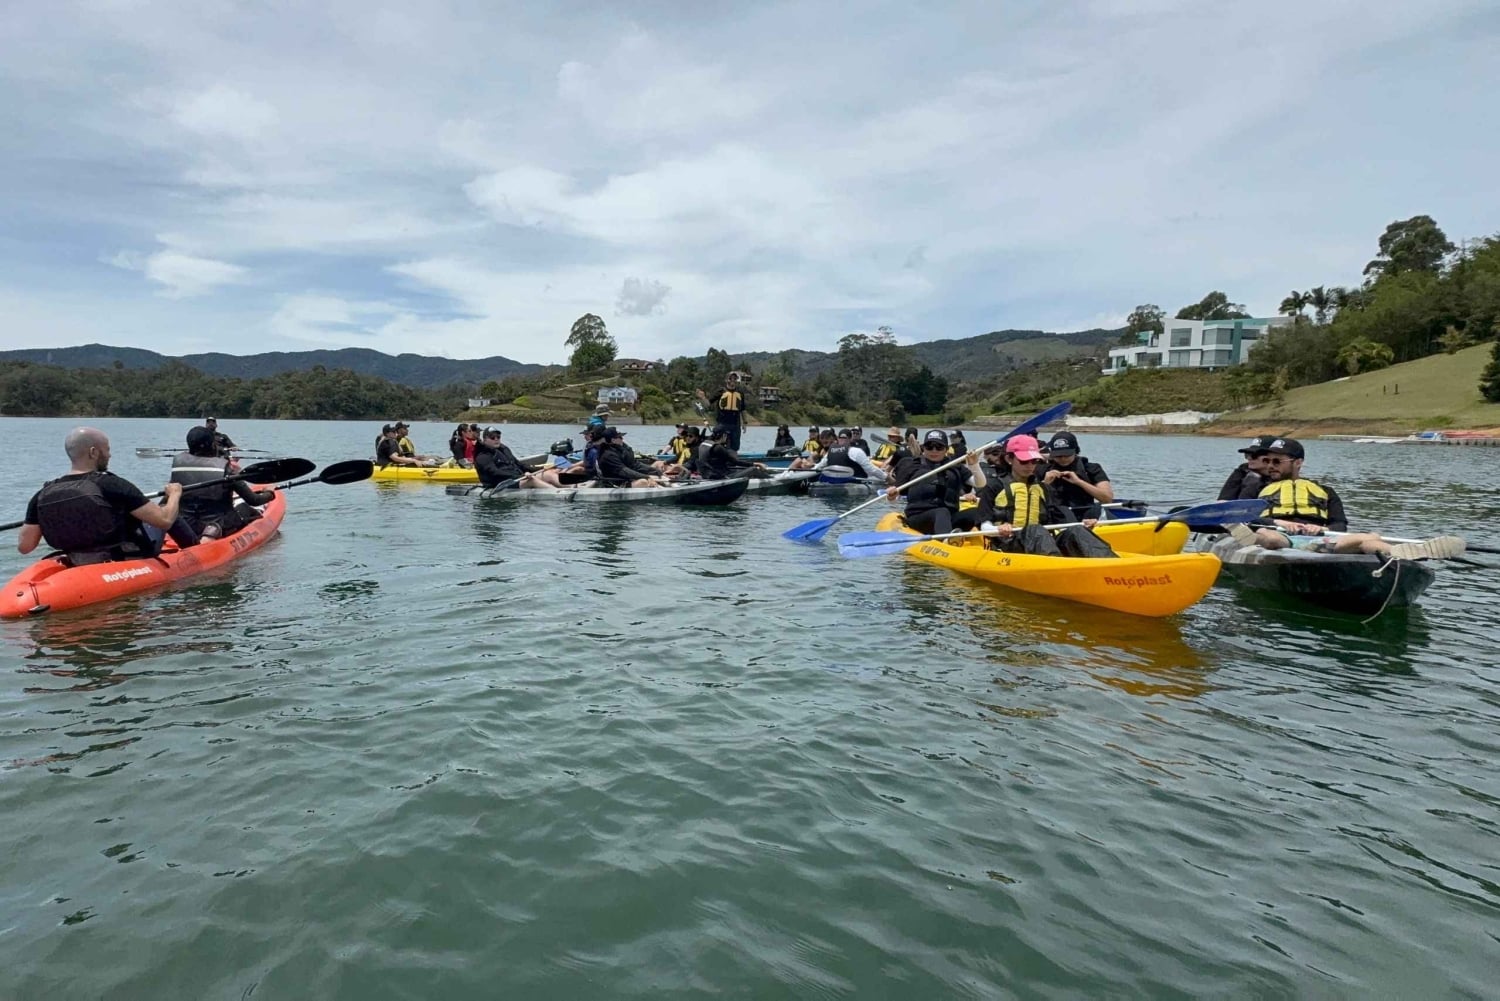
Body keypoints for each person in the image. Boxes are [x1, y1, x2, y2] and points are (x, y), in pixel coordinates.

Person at [1230, 438, 1464, 559]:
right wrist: (1280, 523)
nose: (1270, 466)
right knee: (1266, 536)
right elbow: (1245, 518)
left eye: (1277, 461)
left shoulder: (1325, 491)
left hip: (1322, 540)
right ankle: (1274, 541)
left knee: (1369, 538)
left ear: (1298, 463)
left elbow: (1339, 525)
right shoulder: (1256, 486)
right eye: (1267, 461)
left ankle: (1404, 553)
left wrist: (1317, 530)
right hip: (1279, 537)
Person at [18, 427, 199, 564]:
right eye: (107, 449)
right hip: (119, 560)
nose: (110, 455)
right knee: (167, 509)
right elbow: (165, 520)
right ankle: (200, 553)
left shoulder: (42, 494)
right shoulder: (112, 484)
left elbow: (25, 547)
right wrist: (174, 494)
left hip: (76, 560)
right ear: (93, 452)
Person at [976, 435, 1117, 557]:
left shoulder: (1043, 488)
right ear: (1009, 458)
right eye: (1024, 461)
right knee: (1035, 529)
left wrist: (1085, 524)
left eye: (1034, 461)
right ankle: (1056, 566)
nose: (1030, 465)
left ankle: (1110, 564)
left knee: (1076, 530)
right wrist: (998, 530)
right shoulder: (994, 486)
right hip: (1008, 543)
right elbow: (984, 526)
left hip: (1039, 543)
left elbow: (1059, 521)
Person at [171, 427, 275, 539]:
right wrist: (269, 493)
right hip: (219, 526)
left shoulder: (178, 467)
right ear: (212, 445)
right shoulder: (226, 469)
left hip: (188, 526)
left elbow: (169, 499)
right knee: (244, 507)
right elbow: (254, 500)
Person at [884, 430, 985, 536]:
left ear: (946, 449)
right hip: (919, 518)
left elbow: (980, 484)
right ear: (923, 448)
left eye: (939, 447)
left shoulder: (955, 466)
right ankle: (946, 541)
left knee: (979, 511)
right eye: (929, 446)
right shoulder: (912, 465)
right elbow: (895, 497)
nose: (934, 450)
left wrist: (974, 465)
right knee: (941, 512)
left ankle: (995, 541)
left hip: (949, 518)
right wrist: (891, 496)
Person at [1041, 431, 1114, 521]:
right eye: (1058, 456)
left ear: (1076, 451)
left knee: (1097, 509)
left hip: (1086, 515)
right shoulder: (1042, 470)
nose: (1063, 459)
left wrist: (1079, 482)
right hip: (1055, 517)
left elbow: (1107, 499)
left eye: (1067, 455)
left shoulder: (1091, 468)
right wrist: (1045, 484)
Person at [473, 427, 560, 489]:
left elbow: (519, 465)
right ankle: (557, 492)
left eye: (498, 437)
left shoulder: (504, 450)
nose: (496, 439)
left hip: (516, 479)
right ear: (484, 439)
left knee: (548, 474)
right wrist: (520, 476)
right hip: (499, 484)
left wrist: (541, 468)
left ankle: (571, 487)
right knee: (532, 480)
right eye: (492, 437)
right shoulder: (482, 456)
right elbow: (495, 473)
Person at [596, 427, 666, 487]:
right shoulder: (608, 455)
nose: (622, 438)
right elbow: (624, 471)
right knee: (643, 482)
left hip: (625, 479)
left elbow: (634, 464)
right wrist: (646, 477)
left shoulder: (620, 449)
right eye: (619, 437)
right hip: (615, 483)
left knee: (656, 477)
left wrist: (654, 470)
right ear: (613, 440)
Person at [696, 425, 771, 480]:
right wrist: (756, 464)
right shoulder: (718, 448)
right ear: (723, 435)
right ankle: (771, 479)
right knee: (753, 469)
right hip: (721, 477)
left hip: (706, 475)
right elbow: (735, 462)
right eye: (726, 435)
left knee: (738, 469)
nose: (727, 437)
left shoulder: (704, 443)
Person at [1218, 435, 1277, 501]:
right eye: (1247, 454)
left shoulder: (1283, 475)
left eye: (1254, 455)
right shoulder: (1243, 471)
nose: (1249, 458)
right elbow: (1223, 500)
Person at [812, 429, 883, 483]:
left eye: (844, 438)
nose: (843, 440)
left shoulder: (830, 452)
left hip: (835, 483)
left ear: (850, 439)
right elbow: (872, 470)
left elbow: (818, 467)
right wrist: (887, 477)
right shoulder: (856, 452)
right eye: (841, 438)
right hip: (851, 482)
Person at [713, 374, 746, 451]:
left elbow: (743, 409)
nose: (732, 380)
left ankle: (733, 459)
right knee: (718, 443)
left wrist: (745, 422)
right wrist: (702, 397)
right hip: (722, 423)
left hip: (735, 424)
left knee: (735, 447)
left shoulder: (740, 393)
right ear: (726, 380)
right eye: (730, 378)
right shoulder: (721, 391)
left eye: (734, 379)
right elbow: (708, 402)